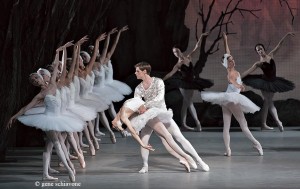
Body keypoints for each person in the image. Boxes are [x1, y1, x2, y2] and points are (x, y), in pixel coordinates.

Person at [7, 48, 84, 182]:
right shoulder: (40, 95)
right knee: (57, 143)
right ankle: (69, 169)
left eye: (36, 77)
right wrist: (14, 116)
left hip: (59, 117)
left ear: (42, 77)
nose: (35, 81)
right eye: (33, 81)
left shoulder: (54, 83)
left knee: (51, 145)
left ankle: (48, 172)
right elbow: (26, 108)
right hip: (48, 119)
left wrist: (60, 51)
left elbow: (59, 65)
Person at [133, 62, 210, 173]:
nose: (135, 73)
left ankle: (199, 160)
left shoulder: (158, 82)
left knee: (179, 138)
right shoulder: (138, 88)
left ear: (144, 71)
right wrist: (140, 107)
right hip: (149, 116)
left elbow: (159, 99)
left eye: (137, 71)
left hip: (162, 114)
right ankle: (145, 165)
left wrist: (144, 105)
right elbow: (137, 101)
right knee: (144, 140)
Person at [201, 32, 263, 157]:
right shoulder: (231, 72)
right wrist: (238, 85)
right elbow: (231, 80)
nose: (232, 61)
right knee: (243, 125)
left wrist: (225, 40)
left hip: (226, 99)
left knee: (226, 126)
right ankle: (257, 144)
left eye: (232, 59)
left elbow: (227, 52)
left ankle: (228, 150)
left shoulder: (234, 70)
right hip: (232, 99)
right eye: (229, 61)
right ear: (226, 64)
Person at [111, 97, 196, 173]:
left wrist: (142, 144)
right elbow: (131, 130)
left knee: (166, 137)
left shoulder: (123, 115)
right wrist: (142, 143)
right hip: (143, 117)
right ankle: (182, 158)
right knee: (161, 138)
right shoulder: (122, 112)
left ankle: (186, 157)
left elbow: (132, 131)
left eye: (118, 127)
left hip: (147, 115)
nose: (120, 127)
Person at [241, 32, 296, 131]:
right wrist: (237, 78)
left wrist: (286, 34)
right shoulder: (258, 63)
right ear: (257, 52)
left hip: (274, 82)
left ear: (264, 49)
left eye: (261, 49)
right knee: (269, 102)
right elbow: (248, 71)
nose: (260, 51)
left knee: (267, 103)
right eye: (258, 50)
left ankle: (263, 124)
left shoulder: (271, 55)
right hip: (264, 83)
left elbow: (279, 45)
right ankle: (278, 122)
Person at [163, 32, 213, 132]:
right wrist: (161, 80)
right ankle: (198, 123)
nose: (176, 54)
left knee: (185, 104)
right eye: (174, 53)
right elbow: (170, 74)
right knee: (189, 103)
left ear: (180, 50)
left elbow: (196, 47)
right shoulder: (178, 64)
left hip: (192, 83)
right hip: (183, 84)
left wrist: (202, 36)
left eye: (176, 51)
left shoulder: (189, 57)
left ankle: (183, 124)